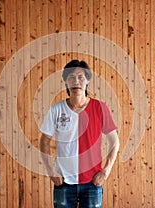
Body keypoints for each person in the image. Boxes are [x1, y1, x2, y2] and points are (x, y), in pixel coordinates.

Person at [40, 59, 120, 208]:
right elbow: (44, 141)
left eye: (80, 77)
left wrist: (106, 171)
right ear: (66, 81)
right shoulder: (56, 110)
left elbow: (115, 141)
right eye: (71, 77)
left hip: (92, 183)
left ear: (87, 80)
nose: (76, 81)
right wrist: (51, 171)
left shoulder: (100, 108)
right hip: (63, 183)